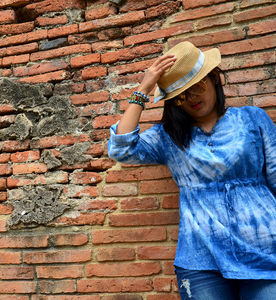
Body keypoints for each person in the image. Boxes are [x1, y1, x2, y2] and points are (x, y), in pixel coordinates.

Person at [107, 41, 276, 300]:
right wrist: (144, 88)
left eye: (196, 86)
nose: (192, 98)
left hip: (265, 251)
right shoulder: (168, 137)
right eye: (180, 95)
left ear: (215, 78)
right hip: (201, 259)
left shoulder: (253, 118)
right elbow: (121, 149)